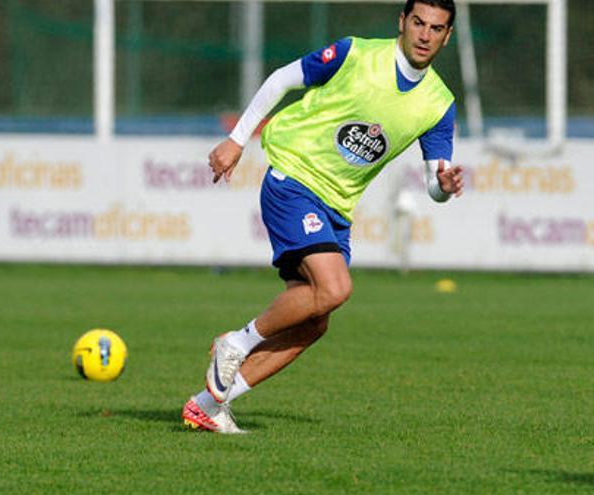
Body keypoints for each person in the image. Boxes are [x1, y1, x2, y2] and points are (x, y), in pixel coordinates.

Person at [182, 0, 465, 434]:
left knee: (314, 321)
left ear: (447, 36)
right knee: (335, 288)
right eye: (418, 23)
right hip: (293, 176)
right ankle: (235, 342)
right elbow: (282, 80)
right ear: (402, 23)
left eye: (437, 28)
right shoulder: (356, 54)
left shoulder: (439, 103)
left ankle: (207, 406)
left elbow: (435, 182)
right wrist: (237, 139)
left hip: (337, 205)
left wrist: (443, 188)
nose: (425, 35)